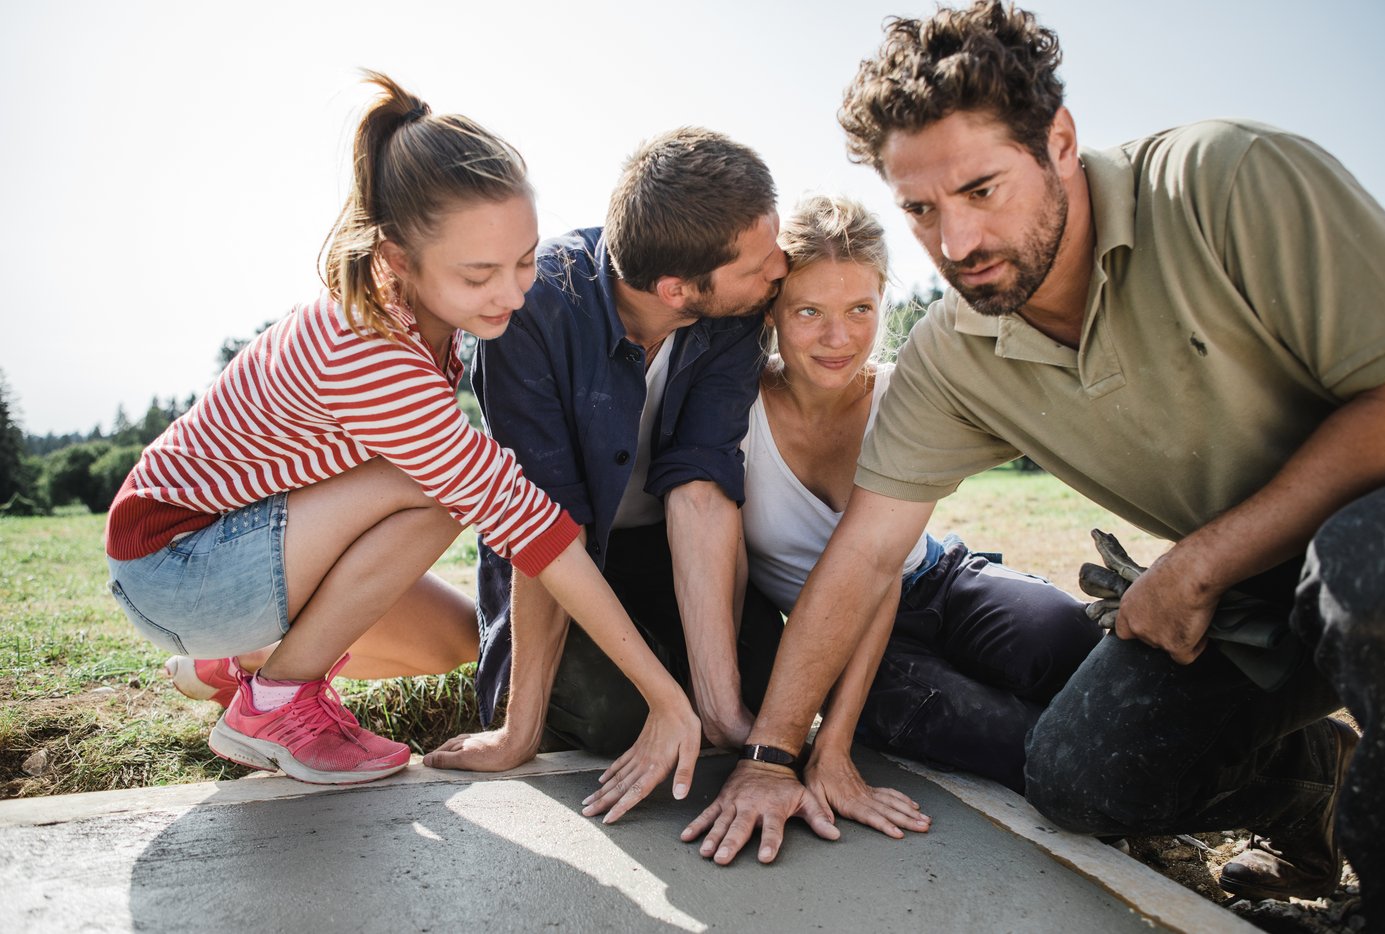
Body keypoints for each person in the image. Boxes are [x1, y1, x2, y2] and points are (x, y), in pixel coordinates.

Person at [685, 4, 1385, 928]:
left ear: (1059, 141)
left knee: (1367, 575)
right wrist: (773, 755)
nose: (955, 245)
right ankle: (1311, 786)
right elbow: (865, 557)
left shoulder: (1228, 178)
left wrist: (1199, 562)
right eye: (921, 211)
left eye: (981, 189)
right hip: (1247, 596)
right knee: (1077, 781)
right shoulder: (952, 352)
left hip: (1364, 531)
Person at [106, 74, 698, 817]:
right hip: (175, 563)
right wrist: (666, 697)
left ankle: (244, 665)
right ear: (394, 259)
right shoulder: (370, 347)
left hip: (253, 553)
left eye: (524, 261)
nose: (515, 295)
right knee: (443, 487)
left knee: (457, 636)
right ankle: (276, 702)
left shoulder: (431, 321)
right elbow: (533, 527)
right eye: (479, 274)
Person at [427, 129, 789, 809]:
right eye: (761, 261)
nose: (782, 267)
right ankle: (541, 695)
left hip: (668, 548)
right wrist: (517, 732)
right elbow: (542, 524)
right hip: (561, 559)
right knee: (613, 717)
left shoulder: (736, 308)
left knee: (764, 687)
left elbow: (701, 490)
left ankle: (699, 698)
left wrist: (720, 708)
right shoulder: (530, 311)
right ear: (678, 288)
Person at [740, 194, 1097, 825]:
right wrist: (832, 741)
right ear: (772, 310)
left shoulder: (904, 395)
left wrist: (834, 746)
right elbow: (856, 587)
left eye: (860, 309)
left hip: (937, 579)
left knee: (1065, 637)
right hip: (837, 636)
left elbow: (881, 563)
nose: (838, 337)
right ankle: (1129, 785)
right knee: (1009, 739)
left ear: (883, 301)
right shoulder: (736, 413)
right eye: (808, 311)